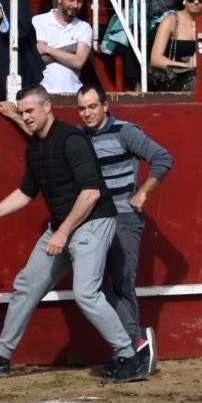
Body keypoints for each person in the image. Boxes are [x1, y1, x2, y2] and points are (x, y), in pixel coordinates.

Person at [0, 86, 145, 383]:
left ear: (47, 107)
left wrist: (63, 233)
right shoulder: (35, 147)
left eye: (30, 111)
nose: (25, 117)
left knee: (86, 292)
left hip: (93, 222)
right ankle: (1, 358)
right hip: (63, 225)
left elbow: (91, 194)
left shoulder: (72, 140)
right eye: (22, 113)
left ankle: (129, 357)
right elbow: (25, 192)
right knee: (26, 285)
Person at [73, 79, 170, 376]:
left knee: (123, 286)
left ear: (105, 106)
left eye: (92, 107)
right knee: (93, 287)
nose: (87, 113)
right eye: (81, 109)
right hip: (94, 221)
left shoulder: (125, 131)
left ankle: (132, 350)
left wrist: (142, 192)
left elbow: (163, 158)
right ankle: (135, 343)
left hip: (124, 219)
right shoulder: (78, 137)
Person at [30, 0, 95, 97]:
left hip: (73, 94)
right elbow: (38, 57)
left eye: (79, 1)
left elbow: (79, 61)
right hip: (41, 94)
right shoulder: (39, 21)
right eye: (71, 0)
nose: (75, 5)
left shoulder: (84, 27)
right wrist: (70, 50)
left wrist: (47, 49)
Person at [149, 0, 202, 90]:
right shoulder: (170, 20)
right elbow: (155, 59)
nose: (196, 1)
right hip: (175, 78)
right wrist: (187, 67)